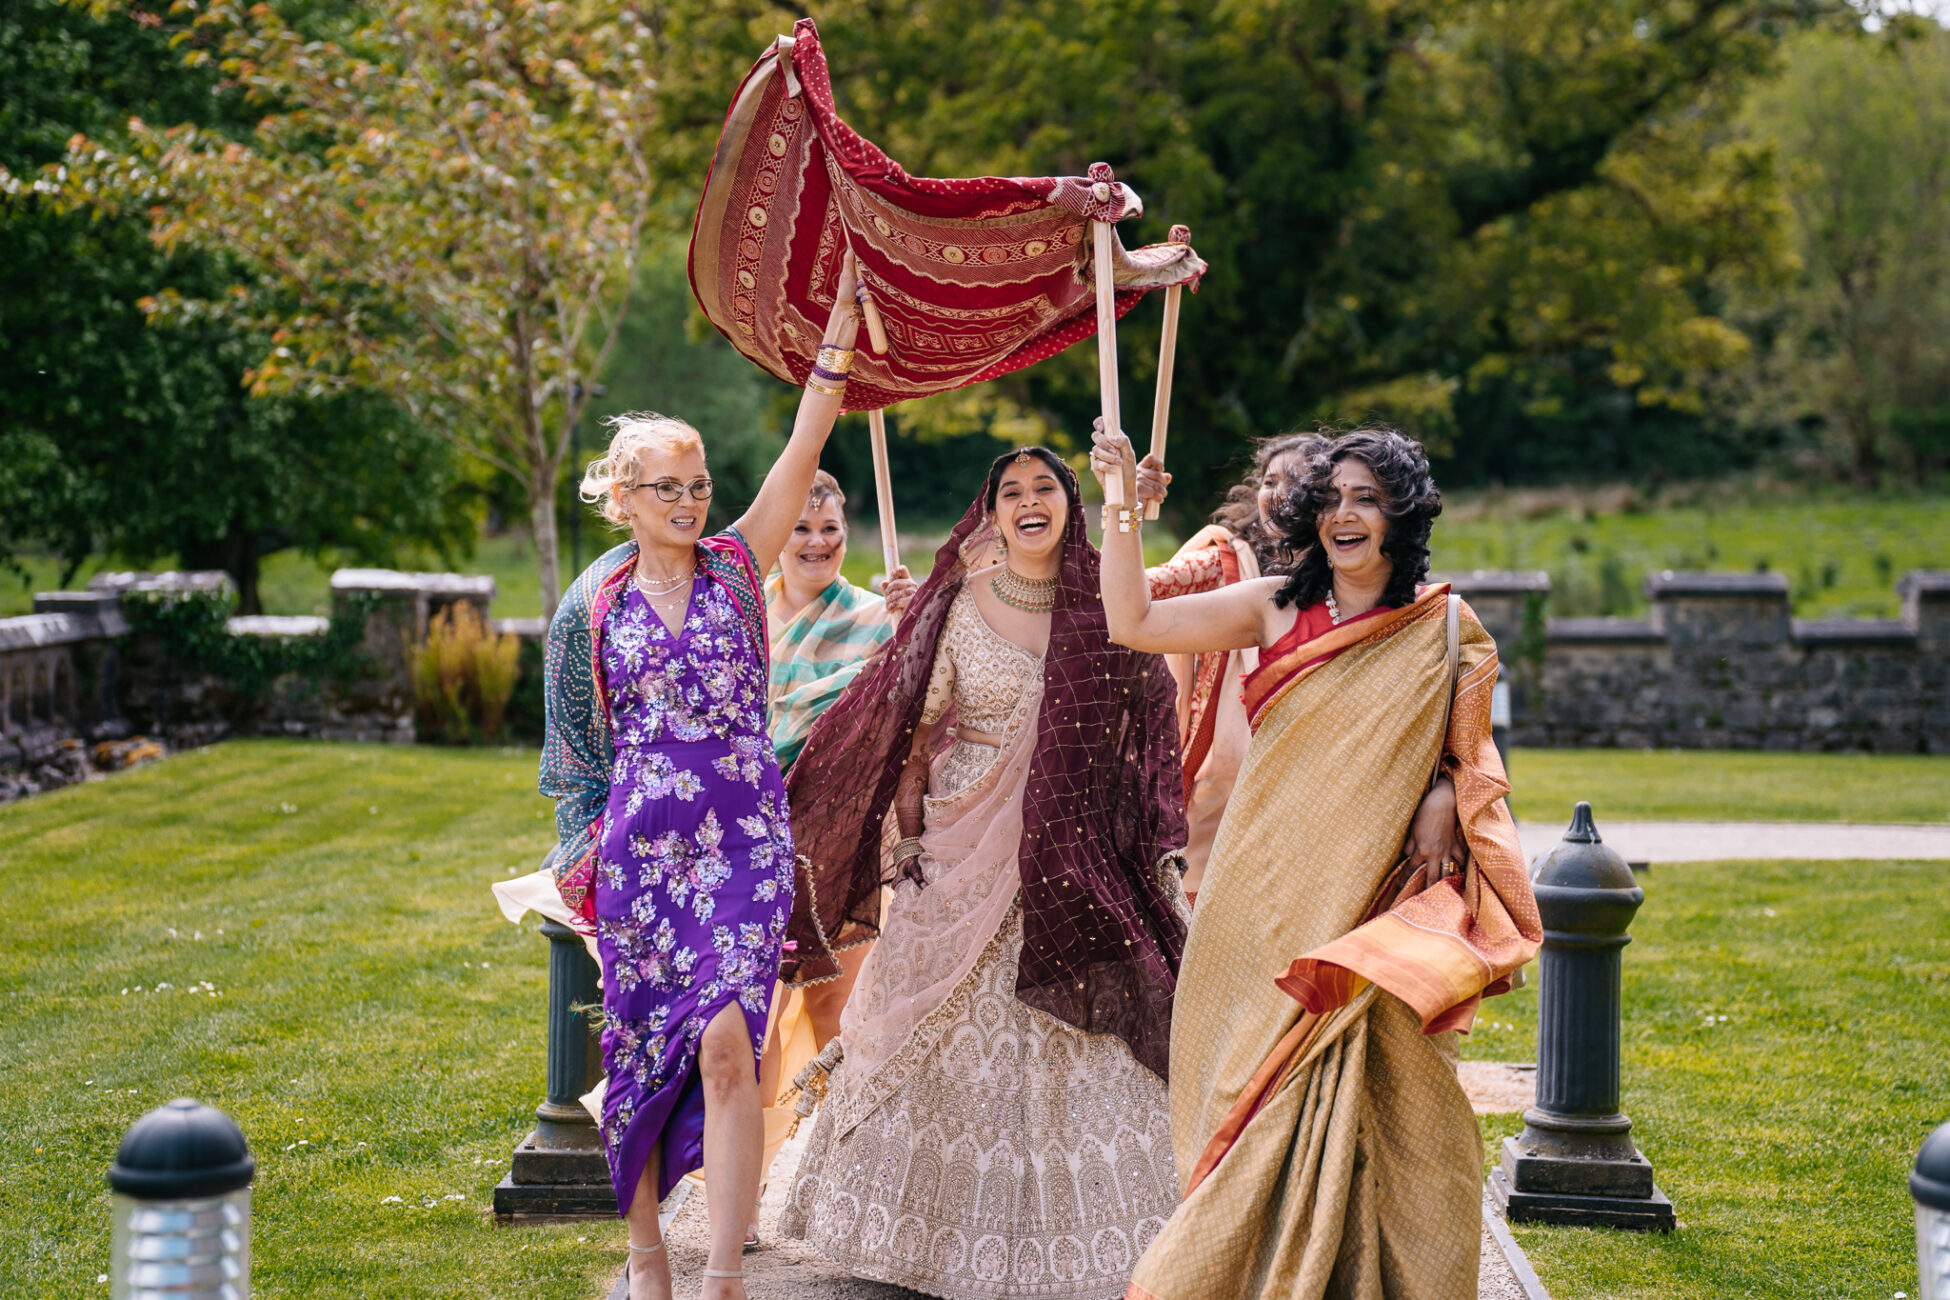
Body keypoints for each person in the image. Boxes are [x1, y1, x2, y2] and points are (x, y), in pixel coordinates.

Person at [1091, 424, 1541, 1300]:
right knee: (1246, 1099)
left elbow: (1474, 759)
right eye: (1331, 497)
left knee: (1397, 1109)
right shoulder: (1271, 605)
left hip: (1374, 916)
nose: (1345, 514)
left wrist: (1444, 792)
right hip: (1257, 906)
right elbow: (1130, 620)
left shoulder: (1445, 628)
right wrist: (1118, 507)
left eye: (1368, 498)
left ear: (1401, 515)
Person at [774, 447, 1189, 1300]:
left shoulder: (1113, 602)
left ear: (1072, 506)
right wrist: (911, 828)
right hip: (966, 845)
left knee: (1080, 1031)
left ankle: (1101, 1233)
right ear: (992, 513)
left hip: (1079, 847)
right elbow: (918, 730)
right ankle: (920, 1237)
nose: (1030, 503)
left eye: (1045, 489)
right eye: (1012, 493)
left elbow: (1147, 715)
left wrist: (1132, 509)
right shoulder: (962, 605)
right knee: (934, 1025)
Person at [537, 251, 867, 1300]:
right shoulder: (590, 609)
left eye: (699, 483)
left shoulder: (736, 563)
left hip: (741, 846)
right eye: (667, 487)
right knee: (640, 1061)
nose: (689, 500)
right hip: (640, 855)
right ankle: (647, 1258)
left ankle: (720, 1272)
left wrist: (838, 338)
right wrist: (581, 858)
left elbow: (807, 439)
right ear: (625, 498)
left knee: (731, 1045)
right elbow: (574, 759)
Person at [1141, 434, 1457, 904]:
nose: (1282, 493)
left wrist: (1445, 795)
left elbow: (1456, 741)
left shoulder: (1421, 614)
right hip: (1235, 810)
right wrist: (1125, 511)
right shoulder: (1232, 570)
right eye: (1270, 481)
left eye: (1296, 481)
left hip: (1364, 843)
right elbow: (1128, 608)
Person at [748, 469, 916, 1244]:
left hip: (836, 852)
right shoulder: (741, 617)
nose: (817, 544)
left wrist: (916, 626)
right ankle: (739, 1203)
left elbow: (909, 710)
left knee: (841, 1024)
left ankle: (857, 1202)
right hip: (747, 846)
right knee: (747, 1034)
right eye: (803, 531)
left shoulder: (875, 618)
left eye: (831, 533)